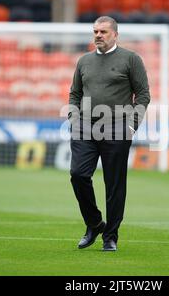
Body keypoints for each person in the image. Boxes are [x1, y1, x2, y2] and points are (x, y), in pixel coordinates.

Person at [68, 16, 150, 251]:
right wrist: (73, 118)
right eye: (95, 31)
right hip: (85, 127)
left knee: (114, 185)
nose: (98, 35)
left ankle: (110, 236)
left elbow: (143, 94)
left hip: (117, 127)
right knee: (78, 175)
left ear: (115, 34)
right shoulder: (84, 61)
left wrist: (132, 124)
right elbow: (74, 93)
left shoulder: (131, 59)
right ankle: (94, 223)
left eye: (103, 31)